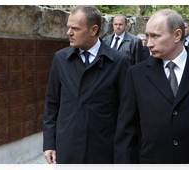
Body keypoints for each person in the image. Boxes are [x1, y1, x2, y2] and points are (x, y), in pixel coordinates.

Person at [43, 5, 130, 170]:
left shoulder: (118, 62)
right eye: (69, 27)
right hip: (67, 151)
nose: (69, 32)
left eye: (75, 28)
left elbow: (126, 113)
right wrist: (49, 143)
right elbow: (52, 104)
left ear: (93, 29)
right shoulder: (61, 59)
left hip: (102, 153)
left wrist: (123, 155)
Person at [114, 9, 189, 170]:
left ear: (177, 35)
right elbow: (126, 131)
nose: (149, 43)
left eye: (155, 36)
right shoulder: (136, 74)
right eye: (148, 36)